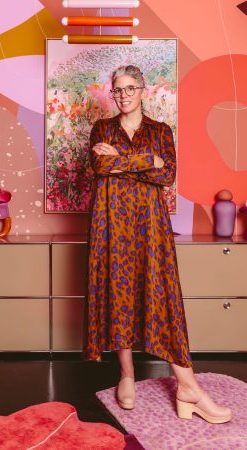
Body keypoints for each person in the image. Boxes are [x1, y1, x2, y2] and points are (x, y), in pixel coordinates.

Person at [83, 65, 232, 423]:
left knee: (162, 297)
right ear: (113, 93)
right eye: (118, 90)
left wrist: (126, 161)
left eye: (130, 88)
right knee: (119, 295)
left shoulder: (160, 131)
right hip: (112, 226)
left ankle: (186, 386)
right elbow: (101, 167)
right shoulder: (101, 129)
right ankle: (127, 375)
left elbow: (167, 175)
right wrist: (146, 160)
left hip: (151, 227)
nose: (124, 95)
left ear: (142, 90)